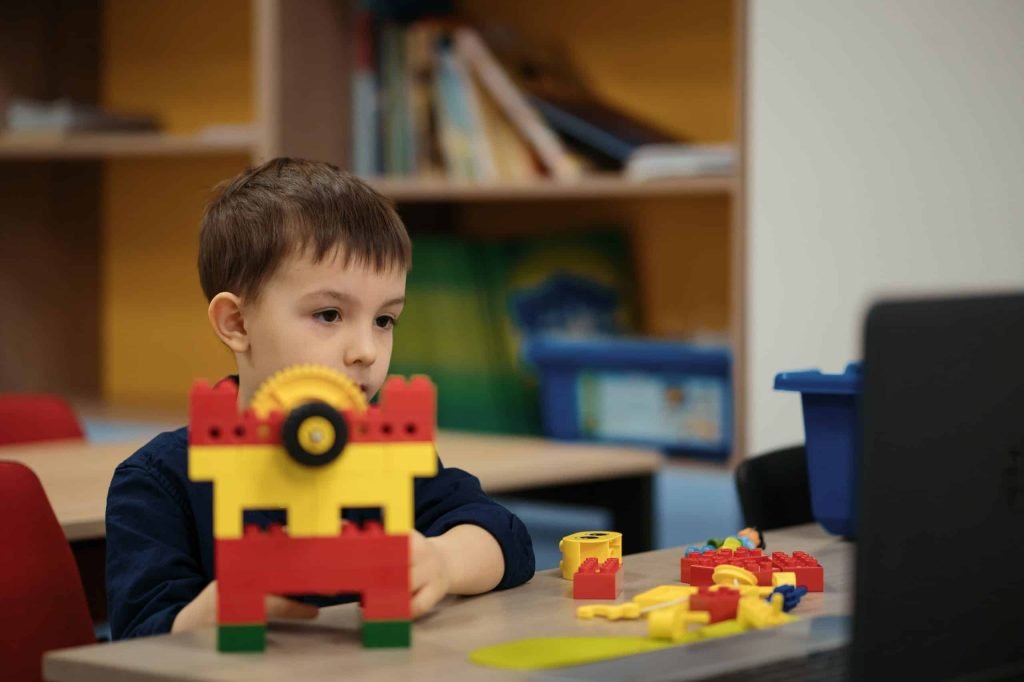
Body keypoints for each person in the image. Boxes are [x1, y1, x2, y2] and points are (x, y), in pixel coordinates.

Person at [106, 158, 535, 639]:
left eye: (384, 320)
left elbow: (508, 538)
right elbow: (133, 644)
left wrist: (442, 560)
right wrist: (208, 616)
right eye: (329, 315)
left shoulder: (383, 449)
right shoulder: (158, 482)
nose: (366, 351)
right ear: (238, 323)